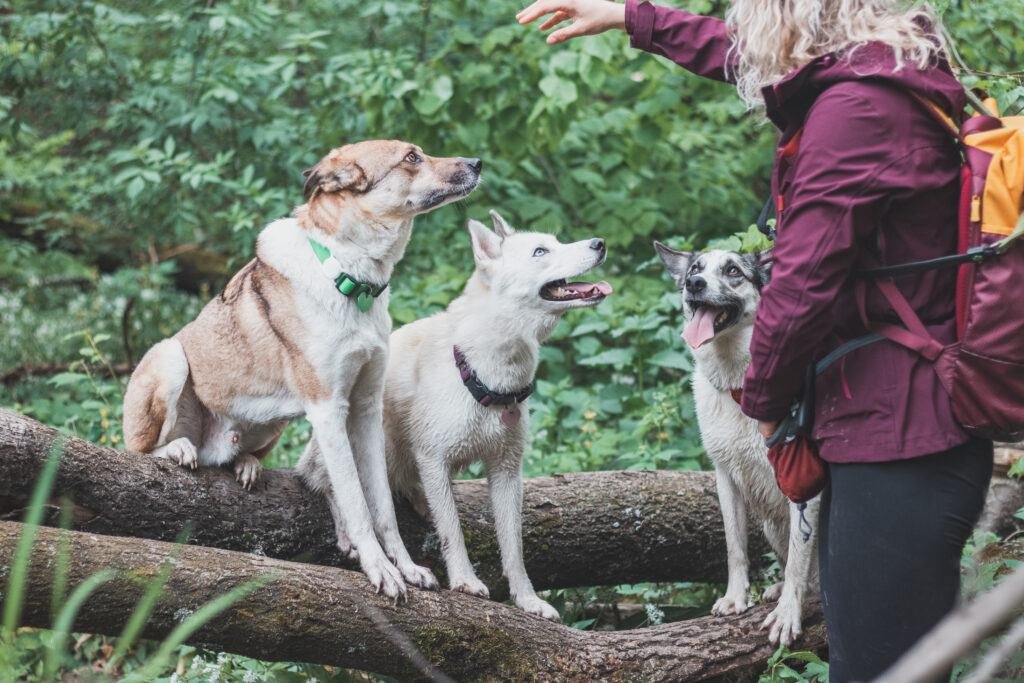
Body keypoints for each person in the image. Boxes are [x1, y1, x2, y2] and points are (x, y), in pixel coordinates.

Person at [517, 1, 994, 680]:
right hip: (905, 425)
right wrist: (637, 20)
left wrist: (763, 402)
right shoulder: (885, 72)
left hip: (900, 439)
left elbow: (799, 288)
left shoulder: (855, 110)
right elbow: (750, 60)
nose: (746, 26)